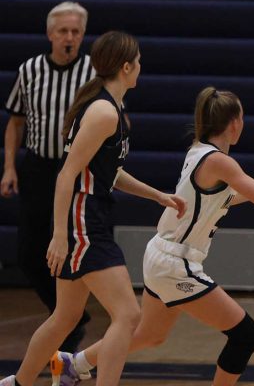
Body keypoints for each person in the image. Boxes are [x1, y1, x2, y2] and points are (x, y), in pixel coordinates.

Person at [48, 86, 254, 386]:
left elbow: (215, 199)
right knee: (246, 335)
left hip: (161, 254)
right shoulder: (220, 161)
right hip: (175, 263)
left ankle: (73, 364)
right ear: (234, 123)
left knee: (150, 335)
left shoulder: (198, 150)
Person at [0, 30, 187, 386]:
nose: (142, 67)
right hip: (83, 221)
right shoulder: (103, 112)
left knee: (65, 316)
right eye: (139, 62)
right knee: (129, 315)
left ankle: (19, 383)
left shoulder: (108, 108)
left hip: (84, 217)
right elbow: (66, 174)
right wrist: (58, 235)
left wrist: (157, 196)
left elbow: (108, 172)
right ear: (127, 67)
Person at [1, 1, 95, 353]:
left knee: (70, 251)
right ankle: (68, 314)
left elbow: (117, 119)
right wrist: (10, 167)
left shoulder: (94, 72)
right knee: (28, 253)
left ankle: (67, 323)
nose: (69, 38)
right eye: (63, 31)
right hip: (39, 167)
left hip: (78, 171)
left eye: (75, 32)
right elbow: (15, 122)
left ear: (83, 35)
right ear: (49, 34)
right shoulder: (29, 70)